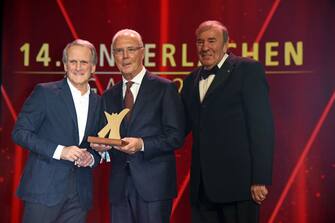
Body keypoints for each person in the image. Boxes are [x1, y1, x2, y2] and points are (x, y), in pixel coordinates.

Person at [181, 20, 274, 223]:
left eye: (212, 41)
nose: (205, 47)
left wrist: (260, 178)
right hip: (202, 189)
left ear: (226, 44)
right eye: (200, 42)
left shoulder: (248, 70)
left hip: (239, 187)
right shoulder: (191, 80)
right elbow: (179, 127)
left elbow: (262, 128)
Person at [92, 29, 185, 223]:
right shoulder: (109, 96)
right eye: (119, 51)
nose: (125, 56)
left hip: (154, 187)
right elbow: (108, 135)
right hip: (119, 188)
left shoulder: (164, 88)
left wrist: (141, 144)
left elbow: (176, 136)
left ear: (142, 52)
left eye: (131, 49)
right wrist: (103, 149)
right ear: (113, 55)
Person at [12, 39, 101, 223]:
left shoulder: (98, 102)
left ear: (93, 67)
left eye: (83, 62)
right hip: (43, 191)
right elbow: (20, 133)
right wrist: (61, 151)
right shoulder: (45, 93)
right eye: (73, 62)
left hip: (79, 195)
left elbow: (98, 143)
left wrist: (91, 158)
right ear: (65, 65)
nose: (78, 67)